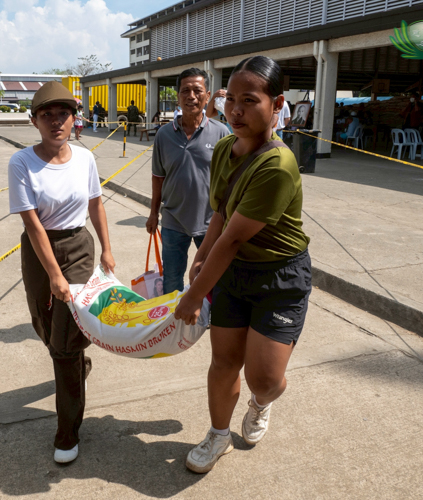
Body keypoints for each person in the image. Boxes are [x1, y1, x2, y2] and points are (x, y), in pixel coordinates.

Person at [174, 55, 311, 474]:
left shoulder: (278, 164)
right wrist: (200, 260)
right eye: (230, 98)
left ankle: (261, 403)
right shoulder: (221, 149)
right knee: (223, 361)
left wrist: (192, 297)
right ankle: (218, 435)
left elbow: (233, 239)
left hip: (280, 276)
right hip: (235, 275)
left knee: (264, 378)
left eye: (249, 100)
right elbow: (220, 214)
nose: (235, 109)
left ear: (277, 104)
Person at [8, 82, 116, 464]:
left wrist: (107, 248)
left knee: (65, 343)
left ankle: (67, 430)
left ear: (74, 119)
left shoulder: (85, 159)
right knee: (43, 321)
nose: (56, 122)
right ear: (34, 120)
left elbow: (96, 204)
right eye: (47, 115)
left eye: (63, 114)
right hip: (39, 252)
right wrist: (52, 275)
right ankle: (76, 362)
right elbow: (33, 224)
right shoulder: (22, 162)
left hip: (78, 249)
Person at [146, 68, 229, 293]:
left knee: (213, 278)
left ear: (208, 95)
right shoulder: (164, 135)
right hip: (173, 220)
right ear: (178, 96)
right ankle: (173, 326)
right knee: (172, 280)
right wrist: (154, 212)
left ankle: (212, 320)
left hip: (210, 222)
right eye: (185, 91)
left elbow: (229, 181)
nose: (191, 96)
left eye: (197, 90)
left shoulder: (221, 134)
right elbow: (158, 177)